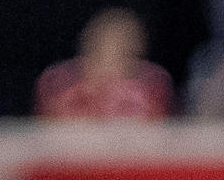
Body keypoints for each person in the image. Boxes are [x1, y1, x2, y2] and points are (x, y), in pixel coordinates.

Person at [35, 8, 173, 120]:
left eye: (125, 47)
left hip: (130, 152)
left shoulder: (151, 85)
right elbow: (44, 132)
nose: (115, 50)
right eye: (107, 44)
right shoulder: (59, 82)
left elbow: (157, 136)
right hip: (70, 151)